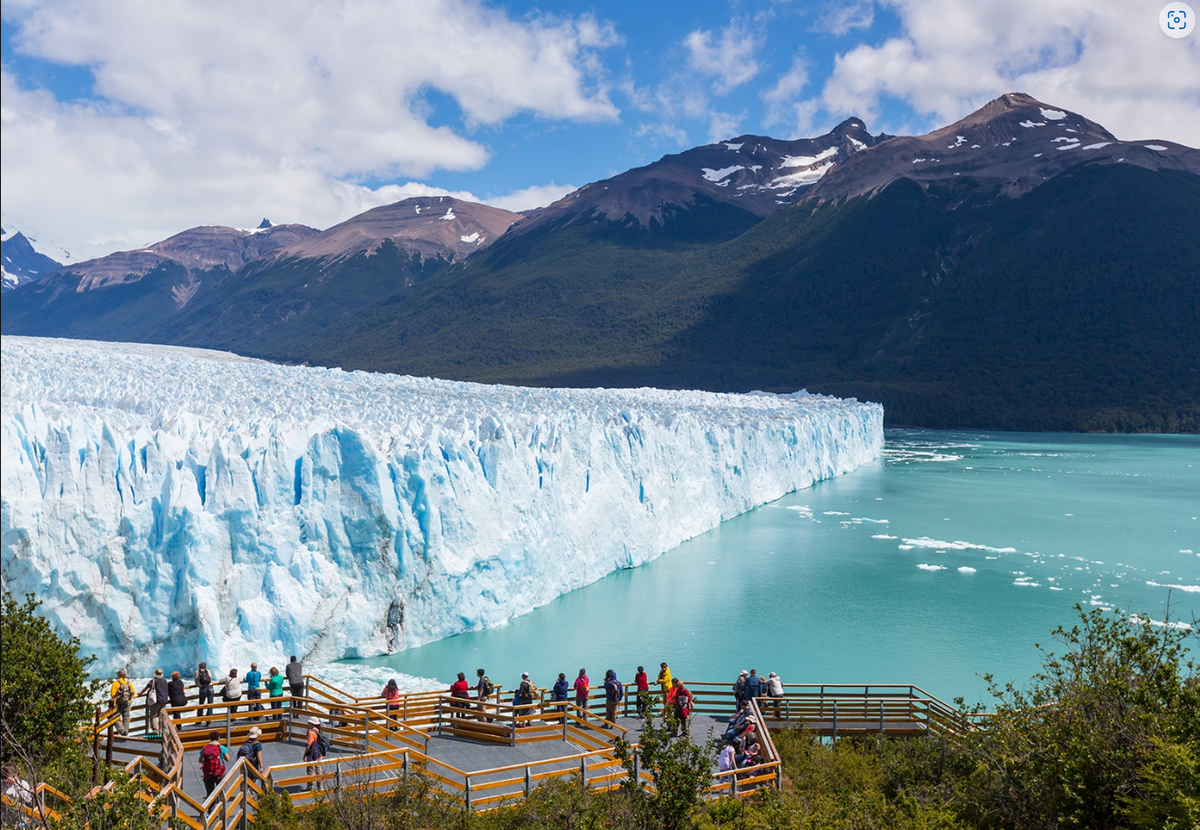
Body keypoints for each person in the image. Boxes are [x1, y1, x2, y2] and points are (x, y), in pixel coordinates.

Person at [199, 732, 225, 796]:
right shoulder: (221, 747)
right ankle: (221, 804)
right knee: (221, 791)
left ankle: (211, 805)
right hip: (218, 771)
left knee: (210, 793)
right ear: (218, 738)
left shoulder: (205, 748)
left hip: (208, 772)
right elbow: (228, 759)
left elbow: (199, 760)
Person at [110, 669, 135, 736]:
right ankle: (125, 732)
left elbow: (112, 694)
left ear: (119, 675)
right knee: (126, 717)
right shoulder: (129, 683)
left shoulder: (116, 683)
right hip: (127, 702)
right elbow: (133, 692)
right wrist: (128, 699)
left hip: (118, 703)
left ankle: (121, 730)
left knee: (115, 717)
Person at [303, 718, 326, 790]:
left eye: (309, 723)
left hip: (312, 756)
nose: (308, 724)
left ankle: (310, 787)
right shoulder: (318, 731)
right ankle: (320, 787)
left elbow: (308, 744)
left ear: (312, 724)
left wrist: (304, 755)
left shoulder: (311, 733)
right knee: (319, 771)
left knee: (310, 771)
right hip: (318, 755)